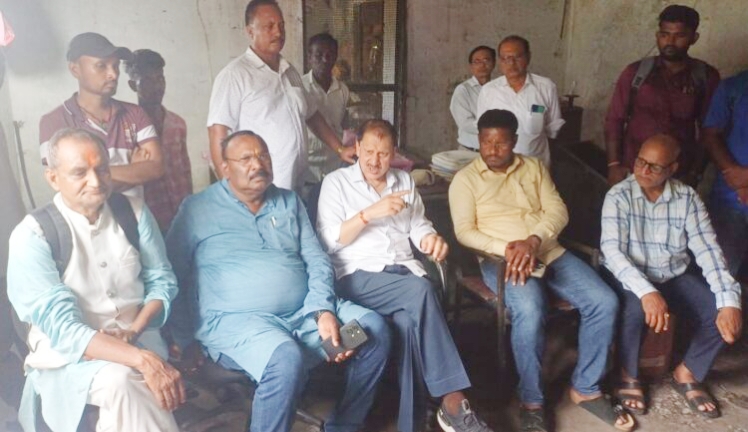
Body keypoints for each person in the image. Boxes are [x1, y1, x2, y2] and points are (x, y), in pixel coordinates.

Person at [166, 130, 390, 432]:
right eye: (246, 158)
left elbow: (317, 260)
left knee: (371, 329)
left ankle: (344, 426)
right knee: (285, 358)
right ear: (225, 167)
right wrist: (183, 339)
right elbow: (172, 275)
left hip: (305, 319)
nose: (258, 164)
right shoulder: (197, 209)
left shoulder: (288, 201)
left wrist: (322, 311)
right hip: (239, 325)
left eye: (263, 156)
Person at [450, 110, 631, 432]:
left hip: (549, 251)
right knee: (531, 310)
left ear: (514, 141)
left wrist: (534, 240)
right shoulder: (465, 180)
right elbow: (465, 232)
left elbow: (557, 210)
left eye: (501, 143)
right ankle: (531, 401)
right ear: (478, 140)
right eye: (486, 142)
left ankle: (586, 387)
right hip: (501, 260)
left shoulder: (533, 167)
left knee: (604, 301)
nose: (492, 149)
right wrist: (510, 248)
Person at [317, 119, 492, 432]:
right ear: (356, 147)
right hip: (358, 276)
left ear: (394, 152)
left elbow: (418, 225)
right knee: (422, 291)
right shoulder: (336, 183)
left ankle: (412, 424)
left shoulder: (404, 181)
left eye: (383, 154)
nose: (375, 161)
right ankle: (452, 399)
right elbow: (329, 241)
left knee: (409, 324)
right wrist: (368, 214)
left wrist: (430, 239)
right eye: (368, 151)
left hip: (403, 273)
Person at [7, 128, 182, 432]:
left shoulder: (133, 212)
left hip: (141, 339)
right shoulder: (33, 235)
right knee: (124, 380)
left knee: (126, 384)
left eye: (101, 169)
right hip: (70, 358)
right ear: (53, 178)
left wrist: (134, 331)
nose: (96, 181)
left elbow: (161, 281)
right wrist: (141, 360)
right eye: (80, 173)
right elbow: (64, 330)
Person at [601, 134, 743, 419]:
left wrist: (729, 301)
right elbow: (613, 251)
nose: (643, 170)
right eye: (640, 161)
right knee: (632, 310)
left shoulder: (687, 198)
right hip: (630, 275)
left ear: (672, 168)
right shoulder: (619, 195)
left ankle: (688, 372)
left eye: (654, 166)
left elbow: (708, 250)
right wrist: (646, 292)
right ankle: (628, 375)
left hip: (672, 274)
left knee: (719, 311)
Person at [207, 0, 356, 191]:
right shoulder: (235, 75)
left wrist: (340, 149)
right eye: (269, 26)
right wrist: (229, 192)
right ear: (250, 32)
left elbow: (312, 115)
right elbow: (217, 133)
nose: (278, 33)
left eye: (281, 26)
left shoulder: (289, 71)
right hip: (259, 189)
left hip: (296, 184)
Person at [604, 5, 720, 186]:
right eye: (665, 34)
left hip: (679, 173)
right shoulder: (636, 73)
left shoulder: (705, 77)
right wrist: (613, 165)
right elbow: (614, 120)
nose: (670, 42)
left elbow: (709, 131)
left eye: (679, 36)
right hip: (633, 170)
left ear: (694, 38)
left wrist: (695, 173)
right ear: (657, 35)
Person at [39, 32, 164, 198]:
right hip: (86, 216)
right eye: (101, 66)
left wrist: (88, 175)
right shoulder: (54, 122)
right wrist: (134, 171)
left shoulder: (135, 114)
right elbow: (65, 182)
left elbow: (156, 168)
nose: (113, 74)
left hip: (136, 213)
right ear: (75, 69)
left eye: (115, 66)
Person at [125, 49, 193, 233]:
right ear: (132, 85)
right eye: (147, 80)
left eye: (160, 79)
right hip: (148, 220)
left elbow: (185, 172)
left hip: (182, 216)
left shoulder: (177, 124)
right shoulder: (127, 131)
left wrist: (192, 210)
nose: (156, 87)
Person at [476, 36, 564, 168]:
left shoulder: (546, 87)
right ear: (500, 61)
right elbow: (483, 132)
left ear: (528, 57)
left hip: (536, 167)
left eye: (517, 57)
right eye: (505, 58)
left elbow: (553, 130)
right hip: (500, 169)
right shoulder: (489, 91)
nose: (511, 63)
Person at [702, 69, 748, 277]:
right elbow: (711, 134)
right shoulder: (735, 87)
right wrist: (734, 175)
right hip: (729, 199)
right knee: (720, 274)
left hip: (736, 190)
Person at [303, 32, 351, 181]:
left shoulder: (342, 90)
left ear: (335, 57)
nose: (325, 60)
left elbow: (343, 126)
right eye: (318, 55)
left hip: (335, 163)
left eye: (330, 55)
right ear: (309, 57)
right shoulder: (300, 88)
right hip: (307, 167)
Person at [450, 45, 496, 151]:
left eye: (486, 60)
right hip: (470, 151)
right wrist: (495, 127)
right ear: (471, 66)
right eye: (477, 62)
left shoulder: (498, 88)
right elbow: (465, 124)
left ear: (493, 63)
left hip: (494, 150)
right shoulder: (463, 90)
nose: (482, 65)